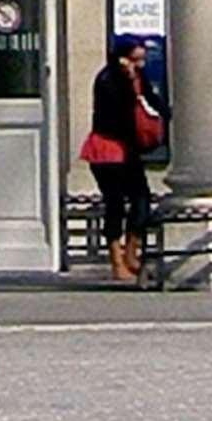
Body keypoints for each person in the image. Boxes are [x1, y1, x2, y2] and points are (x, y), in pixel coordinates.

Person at [84, 38, 161, 287]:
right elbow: (117, 115)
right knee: (115, 203)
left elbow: (151, 99)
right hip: (108, 149)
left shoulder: (138, 76)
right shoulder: (109, 79)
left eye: (142, 59)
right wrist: (128, 83)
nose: (139, 64)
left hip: (129, 149)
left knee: (141, 198)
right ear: (121, 58)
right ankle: (117, 261)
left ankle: (132, 250)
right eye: (134, 59)